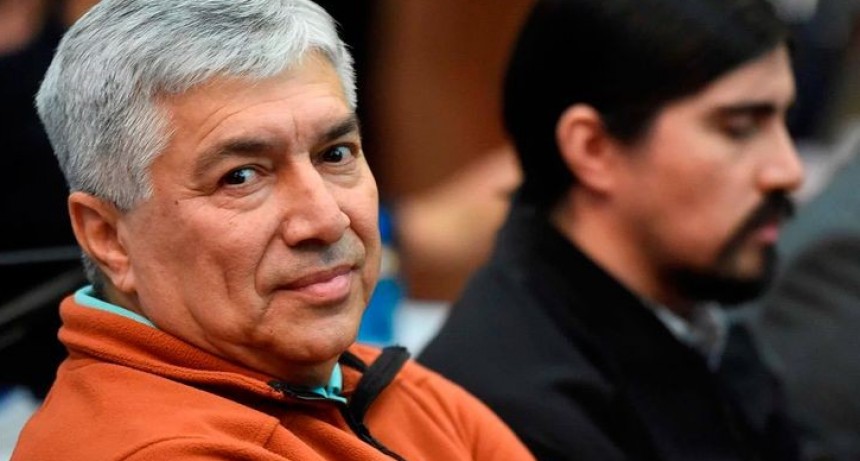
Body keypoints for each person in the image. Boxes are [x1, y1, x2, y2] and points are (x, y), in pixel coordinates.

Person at [10, 1, 536, 460]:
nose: (325, 219)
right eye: (241, 176)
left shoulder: (401, 392)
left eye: (335, 154)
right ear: (108, 238)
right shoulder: (156, 449)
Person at [419, 0, 805, 459]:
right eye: (739, 128)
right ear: (593, 149)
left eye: (785, 122)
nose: (788, 170)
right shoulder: (516, 413)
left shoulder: (696, 324)